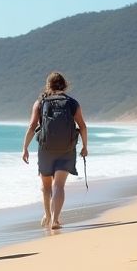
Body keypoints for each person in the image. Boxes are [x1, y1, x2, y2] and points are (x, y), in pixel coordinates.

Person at [21, 71, 88, 230]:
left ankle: (48, 215)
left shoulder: (40, 102)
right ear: (64, 85)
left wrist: (25, 147)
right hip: (67, 149)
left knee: (46, 186)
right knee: (58, 185)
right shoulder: (72, 103)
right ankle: (55, 220)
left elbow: (32, 126)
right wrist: (85, 146)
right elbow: (82, 126)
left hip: (46, 149)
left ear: (48, 85)